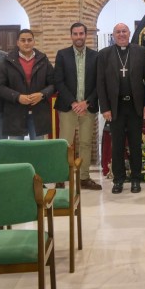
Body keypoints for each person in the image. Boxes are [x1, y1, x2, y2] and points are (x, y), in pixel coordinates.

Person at [97, 23, 145, 194]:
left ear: (129, 33)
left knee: (136, 144)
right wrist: (105, 108)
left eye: (124, 31)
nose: (121, 34)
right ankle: (118, 180)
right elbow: (100, 83)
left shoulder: (140, 51)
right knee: (118, 145)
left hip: (135, 106)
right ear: (113, 35)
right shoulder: (105, 54)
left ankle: (136, 179)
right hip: (116, 107)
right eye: (118, 32)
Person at [54, 22, 102, 191]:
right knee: (65, 143)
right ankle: (61, 177)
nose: (79, 37)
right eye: (75, 34)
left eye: (81, 33)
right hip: (68, 107)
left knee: (86, 143)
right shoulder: (62, 55)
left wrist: (86, 102)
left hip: (87, 107)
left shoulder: (96, 56)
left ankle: (84, 178)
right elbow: (58, 81)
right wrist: (74, 103)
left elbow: (99, 83)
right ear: (71, 36)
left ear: (86, 35)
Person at [0, 29, 54, 140]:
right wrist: (17, 97)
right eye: (23, 40)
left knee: (37, 150)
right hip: (15, 113)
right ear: (17, 42)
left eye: (29, 40)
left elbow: (53, 84)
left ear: (34, 42)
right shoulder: (7, 61)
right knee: (16, 151)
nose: (26, 43)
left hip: (38, 112)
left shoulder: (43, 60)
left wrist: (42, 94)